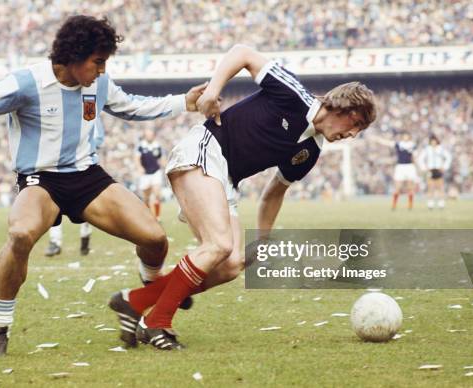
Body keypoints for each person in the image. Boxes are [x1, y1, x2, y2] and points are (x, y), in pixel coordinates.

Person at [0, 15, 206, 357]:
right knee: (20, 235)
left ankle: (149, 293)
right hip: (40, 180)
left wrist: (184, 101)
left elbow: (134, 107)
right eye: (97, 62)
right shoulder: (25, 83)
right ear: (74, 56)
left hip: (87, 177)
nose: (102, 70)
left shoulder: (99, 84)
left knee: (154, 239)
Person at [108, 44, 376, 350]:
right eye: (357, 126)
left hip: (226, 179)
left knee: (231, 264)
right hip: (204, 150)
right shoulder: (293, 95)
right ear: (347, 111)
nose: (353, 135)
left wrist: (264, 238)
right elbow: (242, 53)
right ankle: (158, 323)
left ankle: (134, 301)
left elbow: (275, 191)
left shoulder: (311, 151)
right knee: (219, 245)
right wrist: (212, 91)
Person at [371, 132, 418, 210]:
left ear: (409, 137)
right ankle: (394, 205)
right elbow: (388, 143)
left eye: (407, 136)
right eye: (404, 136)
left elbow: (415, 156)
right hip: (400, 166)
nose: (405, 137)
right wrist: (378, 139)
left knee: (410, 187)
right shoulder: (399, 144)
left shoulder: (412, 145)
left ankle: (410, 205)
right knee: (397, 187)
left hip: (410, 166)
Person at [135, 129, 164, 220]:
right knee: (146, 197)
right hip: (145, 174)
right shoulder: (141, 146)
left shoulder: (157, 145)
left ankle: (157, 216)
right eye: (147, 135)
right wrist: (139, 167)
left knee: (157, 194)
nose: (149, 136)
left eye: (151, 135)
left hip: (156, 172)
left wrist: (164, 164)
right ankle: (149, 217)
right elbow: (137, 158)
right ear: (145, 136)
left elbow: (161, 157)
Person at [418, 135, 452, 210]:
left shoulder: (441, 149)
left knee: (440, 187)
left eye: (435, 141)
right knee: (430, 187)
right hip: (430, 170)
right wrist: (424, 168)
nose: (433, 143)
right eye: (432, 141)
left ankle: (441, 203)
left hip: (438, 169)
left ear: (437, 141)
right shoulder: (427, 149)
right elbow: (420, 158)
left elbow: (448, 157)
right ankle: (430, 204)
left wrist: (444, 167)